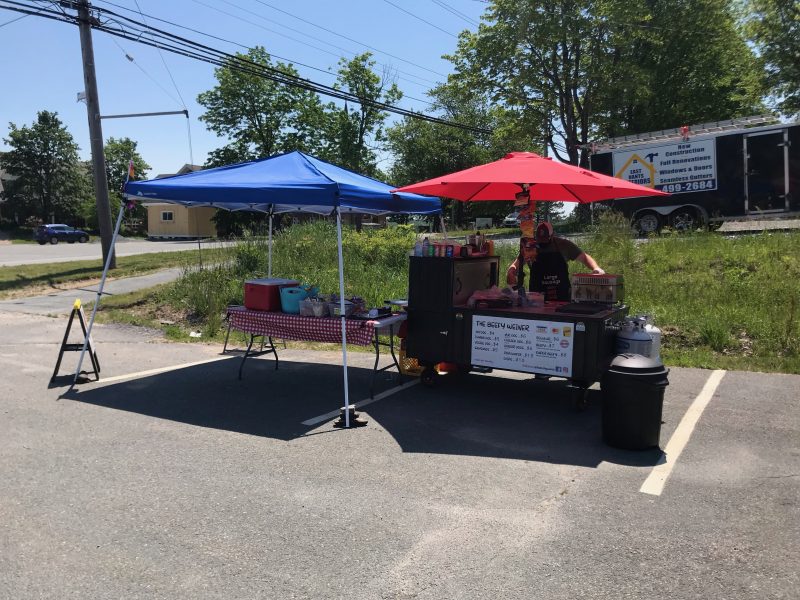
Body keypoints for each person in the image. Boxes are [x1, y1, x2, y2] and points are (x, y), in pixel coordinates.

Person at [506, 221, 605, 302]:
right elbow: (516, 265)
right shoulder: (530, 247)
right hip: (537, 299)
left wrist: (596, 268)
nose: (542, 242)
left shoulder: (563, 245)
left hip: (561, 296)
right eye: (540, 239)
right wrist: (511, 270)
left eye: (545, 239)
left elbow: (584, 257)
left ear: (552, 235)